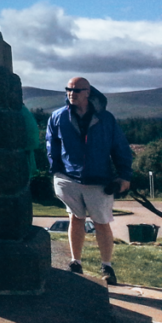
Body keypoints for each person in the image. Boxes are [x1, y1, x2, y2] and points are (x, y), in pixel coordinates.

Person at [46, 77, 134, 285]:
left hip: (99, 181)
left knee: (101, 223)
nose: (71, 93)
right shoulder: (58, 117)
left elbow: (120, 148)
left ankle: (107, 267)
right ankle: (76, 262)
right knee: (75, 218)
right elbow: (52, 146)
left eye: (77, 90)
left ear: (88, 92)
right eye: (68, 89)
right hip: (69, 178)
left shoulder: (106, 119)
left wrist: (124, 176)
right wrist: (56, 172)